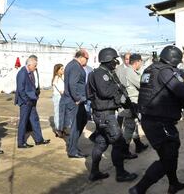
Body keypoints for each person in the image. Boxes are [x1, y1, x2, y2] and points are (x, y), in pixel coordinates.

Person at [129, 46, 184, 194]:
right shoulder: (166, 71)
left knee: (169, 153)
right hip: (160, 121)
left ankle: (173, 184)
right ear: (175, 59)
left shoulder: (151, 69)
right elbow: (181, 90)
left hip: (150, 119)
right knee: (168, 157)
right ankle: (139, 189)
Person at [87, 47, 138, 182]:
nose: (116, 62)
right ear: (108, 60)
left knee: (101, 143)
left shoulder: (107, 72)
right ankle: (121, 174)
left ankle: (94, 172)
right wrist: (120, 98)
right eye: (114, 60)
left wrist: (126, 101)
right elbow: (105, 92)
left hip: (104, 113)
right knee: (119, 143)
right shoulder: (100, 74)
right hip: (105, 114)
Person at [15, 56, 50, 148]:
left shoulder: (30, 72)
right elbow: (20, 89)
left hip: (31, 100)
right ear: (29, 64)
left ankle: (39, 140)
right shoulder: (22, 73)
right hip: (25, 102)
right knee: (24, 122)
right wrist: (26, 100)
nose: (36, 67)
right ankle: (21, 142)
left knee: (35, 120)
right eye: (35, 65)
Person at [60, 49, 89, 158]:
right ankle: (72, 150)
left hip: (76, 100)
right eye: (87, 59)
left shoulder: (72, 65)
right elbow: (72, 84)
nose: (87, 61)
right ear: (82, 57)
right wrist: (77, 98)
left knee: (83, 120)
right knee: (76, 126)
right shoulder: (76, 66)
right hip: (75, 101)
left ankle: (73, 145)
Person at [122, 54, 148, 154]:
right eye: (140, 62)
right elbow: (141, 85)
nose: (141, 64)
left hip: (130, 102)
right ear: (137, 62)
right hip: (132, 102)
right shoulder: (130, 72)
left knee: (133, 125)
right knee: (129, 127)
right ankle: (124, 151)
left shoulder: (127, 70)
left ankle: (138, 145)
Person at [51, 63, 64, 136]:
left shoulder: (62, 77)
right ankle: (58, 129)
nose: (63, 70)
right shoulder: (56, 78)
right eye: (61, 69)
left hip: (62, 97)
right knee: (57, 113)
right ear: (57, 70)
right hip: (58, 97)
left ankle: (61, 128)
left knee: (62, 113)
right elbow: (61, 90)